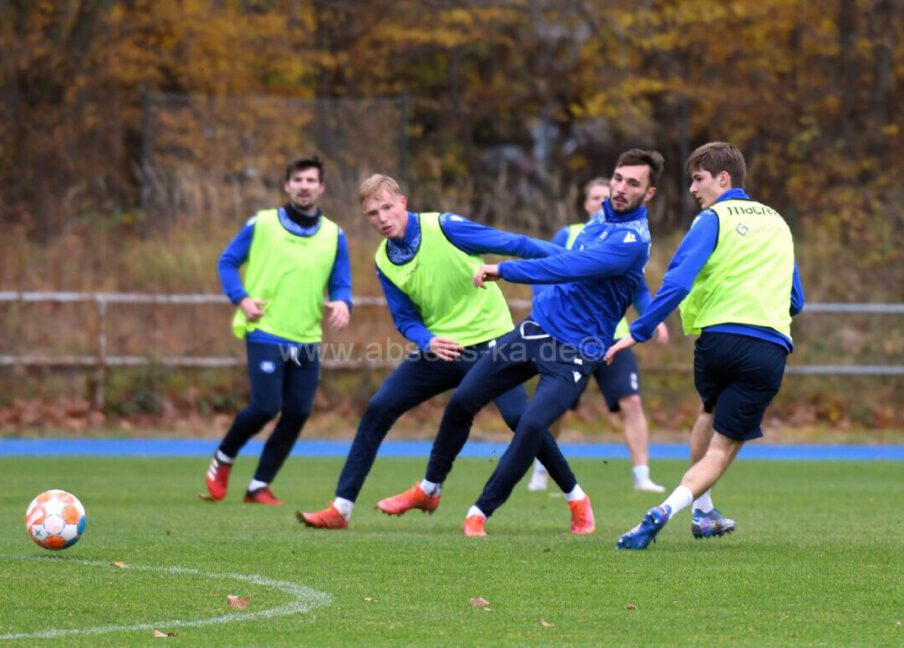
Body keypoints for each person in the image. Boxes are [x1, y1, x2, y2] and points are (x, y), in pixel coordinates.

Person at [378, 148, 665, 536]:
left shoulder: (632, 240)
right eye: (618, 178)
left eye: (633, 183)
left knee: (529, 424)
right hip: (536, 333)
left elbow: (569, 267)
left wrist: (505, 269)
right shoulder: (600, 220)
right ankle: (430, 488)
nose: (620, 188)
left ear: (649, 194)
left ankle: (480, 511)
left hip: (576, 353)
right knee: (463, 399)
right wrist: (530, 264)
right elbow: (562, 255)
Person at [299, 174, 594, 533]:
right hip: (443, 349)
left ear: (403, 202)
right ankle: (341, 509)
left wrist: (579, 263)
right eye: (373, 214)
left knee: (521, 419)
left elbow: (514, 244)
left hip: (494, 343)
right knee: (379, 407)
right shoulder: (384, 260)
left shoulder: (446, 227)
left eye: (388, 207)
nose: (383, 218)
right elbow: (405, 319)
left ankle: (577, 499)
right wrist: (428, 341)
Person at [608, 142, 805, 549]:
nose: (694, 190)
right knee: (723, 447)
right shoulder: (778, 223)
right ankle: (667, 509)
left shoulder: (712, 220)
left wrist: (640, 329)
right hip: (765, 347)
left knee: (708, 411)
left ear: (723, 178)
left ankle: (704, 512)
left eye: (698, 180)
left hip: (715, 343)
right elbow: (796, 300)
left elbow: (678, 281)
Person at [204, 156, 352, 505]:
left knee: (298, 412)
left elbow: (341, 281)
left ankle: (259, 485)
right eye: (298, 180)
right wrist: (241, 298)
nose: (304, 186)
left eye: (311, 180)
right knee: (265, 406)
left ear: (322, 188)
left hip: (307, 336)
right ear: (287, 186)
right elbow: (226, 261)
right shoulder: (263, 223)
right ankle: (223, 458)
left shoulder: (334, 234)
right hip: (266, 330)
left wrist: (344, 302)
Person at [527, 176, 669, 494]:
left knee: (632, 402)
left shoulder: (631, 238)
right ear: (587, 203)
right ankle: (540, 469)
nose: (601, 200)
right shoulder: (571, 234)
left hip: (613, 340)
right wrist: (543, 305)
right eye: (595, 197)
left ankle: (642, 475)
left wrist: (654, 318)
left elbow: (639, 289)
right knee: (554, 407)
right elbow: (544, 270)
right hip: (569, 338)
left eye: (605, 195)